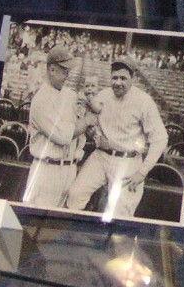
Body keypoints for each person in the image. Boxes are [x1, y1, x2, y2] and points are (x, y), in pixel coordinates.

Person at [66, 57, 169, 221]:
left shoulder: (144, 101)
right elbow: (91, 119)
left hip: (128, 162)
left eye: (123, 78)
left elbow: (161, 138)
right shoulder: (104, 95)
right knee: (75, 194)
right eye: (114, 78)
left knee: (121, 214)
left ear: (132, 78)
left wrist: (142, 172)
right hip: (101, 157)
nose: (118, 82)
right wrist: (93, 131)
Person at [20, 47, 88, 209]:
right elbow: (63, 136)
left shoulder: (69, 95)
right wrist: (87, 121)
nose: (68, 76)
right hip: (46, 170)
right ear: (51, 70)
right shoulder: (40, 100)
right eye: (64, 71)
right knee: (37, 221)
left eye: (69, 71)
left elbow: (79, 133)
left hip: (69, 169)